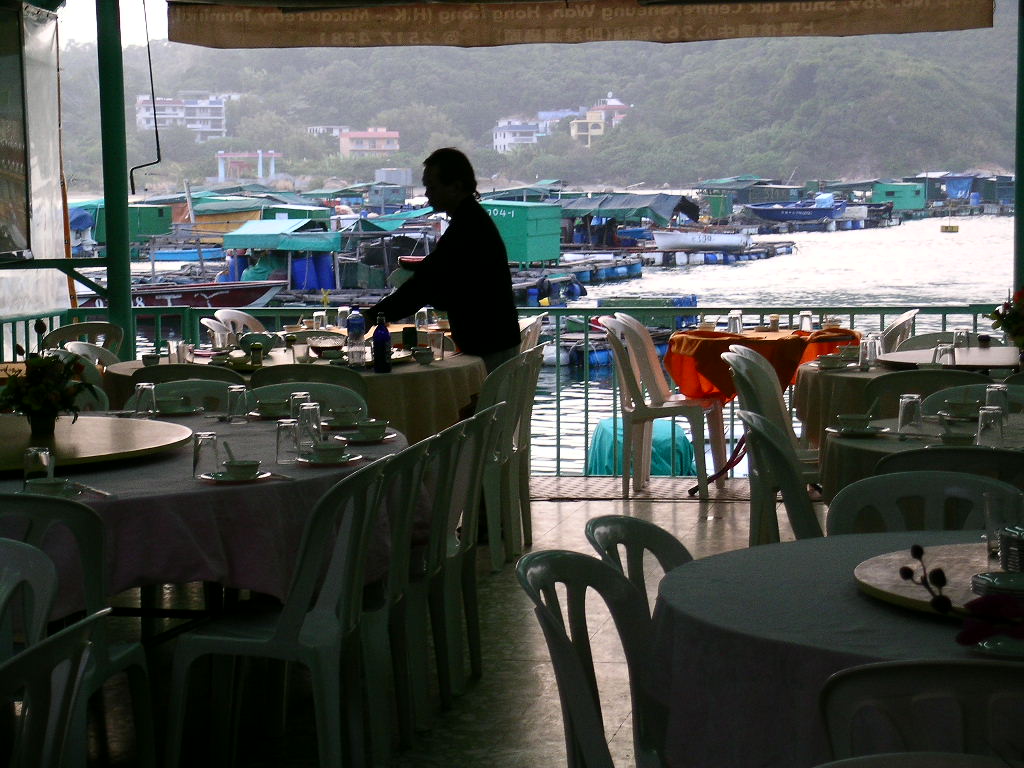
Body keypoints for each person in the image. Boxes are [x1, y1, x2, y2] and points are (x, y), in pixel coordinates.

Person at [367, 148, 521, 373]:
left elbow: (423, 286)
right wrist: (426, 268)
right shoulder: (471, 221)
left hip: (490, 346)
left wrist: (372, 316)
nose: (427, 193)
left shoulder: (466, 229)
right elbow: (444, 272)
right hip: (496, 340)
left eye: (432, 186)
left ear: (456, 187)